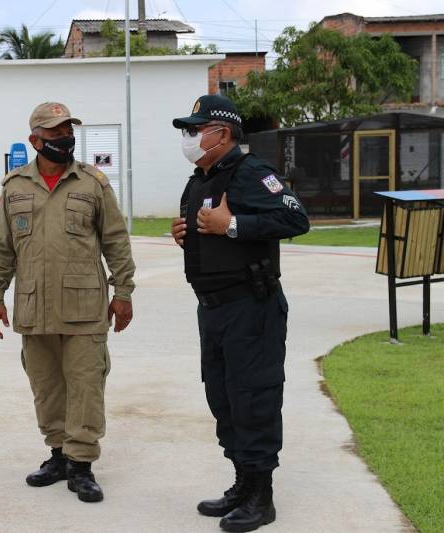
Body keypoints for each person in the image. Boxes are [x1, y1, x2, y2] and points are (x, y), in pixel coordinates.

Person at [170, 94, 310, 532]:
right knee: (224, 399)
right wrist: (188, 235)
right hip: (212, 310)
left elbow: (296, 219)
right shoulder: (199, 180)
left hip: (252, 308)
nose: (190, 138)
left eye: (196, 130)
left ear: (222, 133)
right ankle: (242, 484)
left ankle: (261, 498)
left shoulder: (252, 173)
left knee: (254, 398)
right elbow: (209, 234)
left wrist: (232, 225)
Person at [0, 102, 136, 503]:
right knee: (47, 387)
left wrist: (123, 293)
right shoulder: (14, 187)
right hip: (34, 308)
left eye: (68, 132)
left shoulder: (93, 183)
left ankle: (82, 464)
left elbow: (116, 241)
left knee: (86, 386)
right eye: (55, 134)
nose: (64, 140)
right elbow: (2, 249)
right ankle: (58, 455)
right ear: (35, 140)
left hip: (85, 308)